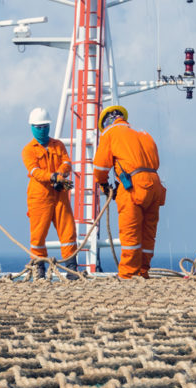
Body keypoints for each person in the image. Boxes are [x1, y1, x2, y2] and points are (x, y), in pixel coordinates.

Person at [93, 106, 166, 279]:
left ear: (107, 122)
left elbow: (100, 166)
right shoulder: (144, 135)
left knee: (130, 232)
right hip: (155, 185)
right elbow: (154, 161)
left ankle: (127, 274)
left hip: (133, 187)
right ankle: (143, 271)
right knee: (148, 233)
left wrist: (103, 184)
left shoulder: (110, 133)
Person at [21, 108, 80, 279]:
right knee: (38, 235)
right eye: (39, 126)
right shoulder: (28, 150)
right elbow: (34, 171)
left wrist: (60, 175)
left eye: (45, 126)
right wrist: (52, 176)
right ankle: (38, 268)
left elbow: (67, 162)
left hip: (60, 194)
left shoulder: (58, 145)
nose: (42, 129)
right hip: (39, 196)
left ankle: (71, 269)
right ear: (32, 127)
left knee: (68, 231)